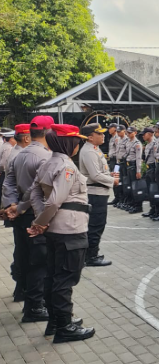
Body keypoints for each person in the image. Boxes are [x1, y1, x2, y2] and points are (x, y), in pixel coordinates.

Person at [26, 124, 95, 343]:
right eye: (76, 142)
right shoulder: (66, 166)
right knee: (65, 279)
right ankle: (64, 327)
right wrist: (40, 222)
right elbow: (55, 199)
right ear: (68, 143)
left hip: (56, 230)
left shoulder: (48, 162)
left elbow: (34, 193)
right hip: (70, 230)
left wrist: (41, 220)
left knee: (53, 276)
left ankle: (56, 321)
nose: (77, 145)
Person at [5, 116, 54, 323]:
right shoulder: (45, 157)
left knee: (24, 255)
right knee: (40, 262)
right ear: (47, 132)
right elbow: (36, 189)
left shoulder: (20, 154)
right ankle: (34, 306)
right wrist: (22, 206)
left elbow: (8, 182)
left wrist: (11, 206)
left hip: (20, 215)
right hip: (35, 214)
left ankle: (24, 294)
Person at [79, 123, 117, 267]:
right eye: (99, 134)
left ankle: (91, 254)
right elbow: (95, 175)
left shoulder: (95, 149)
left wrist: (109, 174)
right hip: (95, 193)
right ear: (90, 137)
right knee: (96, 225)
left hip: (100, 192)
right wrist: (113, 180)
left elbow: (99, 171)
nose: (103, 136)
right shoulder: (89, 151)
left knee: (98, 224)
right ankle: (91, 256)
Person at [3, 124, 32, 303]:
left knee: (21, 251)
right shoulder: (21, 155)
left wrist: (10, 206)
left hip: (18, 207)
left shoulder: (15, 153)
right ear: (27, 138)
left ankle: (20, 287)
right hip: (24, 209)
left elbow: (8, 185)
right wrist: (16, 207)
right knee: (26, 253)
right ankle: (23, 287)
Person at [124, 127, 144, 214]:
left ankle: (138, 206)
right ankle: (133, 204)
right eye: (127, 132)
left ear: (135, 133)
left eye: (130, 132)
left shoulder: (137, 143)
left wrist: (138, 171)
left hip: (134, 166)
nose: (128, 134)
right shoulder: (128, 142)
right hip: (128, 165)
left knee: (136, 187)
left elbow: (138, 158)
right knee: (131, 187)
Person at [141, 127, 158, 218]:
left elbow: (156, 159)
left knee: (155, 190)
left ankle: (157, 209)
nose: (143, 136)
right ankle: (153, 208)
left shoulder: (155, 144)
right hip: (148, 169)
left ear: (150, 134)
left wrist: (156, 172)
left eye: (145, 134)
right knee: (150, 191)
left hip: (153, 169)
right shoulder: (148, 145)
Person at [114, 125, 129, 209]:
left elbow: (127, 152)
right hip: (117, 163)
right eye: (117, 131)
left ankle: (125, 200)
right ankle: (119, 199)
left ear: (124, 131)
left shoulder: (127, 140)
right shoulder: (118, 140)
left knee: (124, 181)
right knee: (117, 181)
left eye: (120, 131)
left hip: (123, 163)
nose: (118, 133)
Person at [107, 124, 120, 205]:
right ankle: (116, 197)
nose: (109, 130)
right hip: (112, 160)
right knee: (113, 177)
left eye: (110, 128)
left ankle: (119, 198)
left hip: (116, 161)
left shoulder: (117, 138)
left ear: (115, 129)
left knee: (116, 177)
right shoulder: (112, 138)